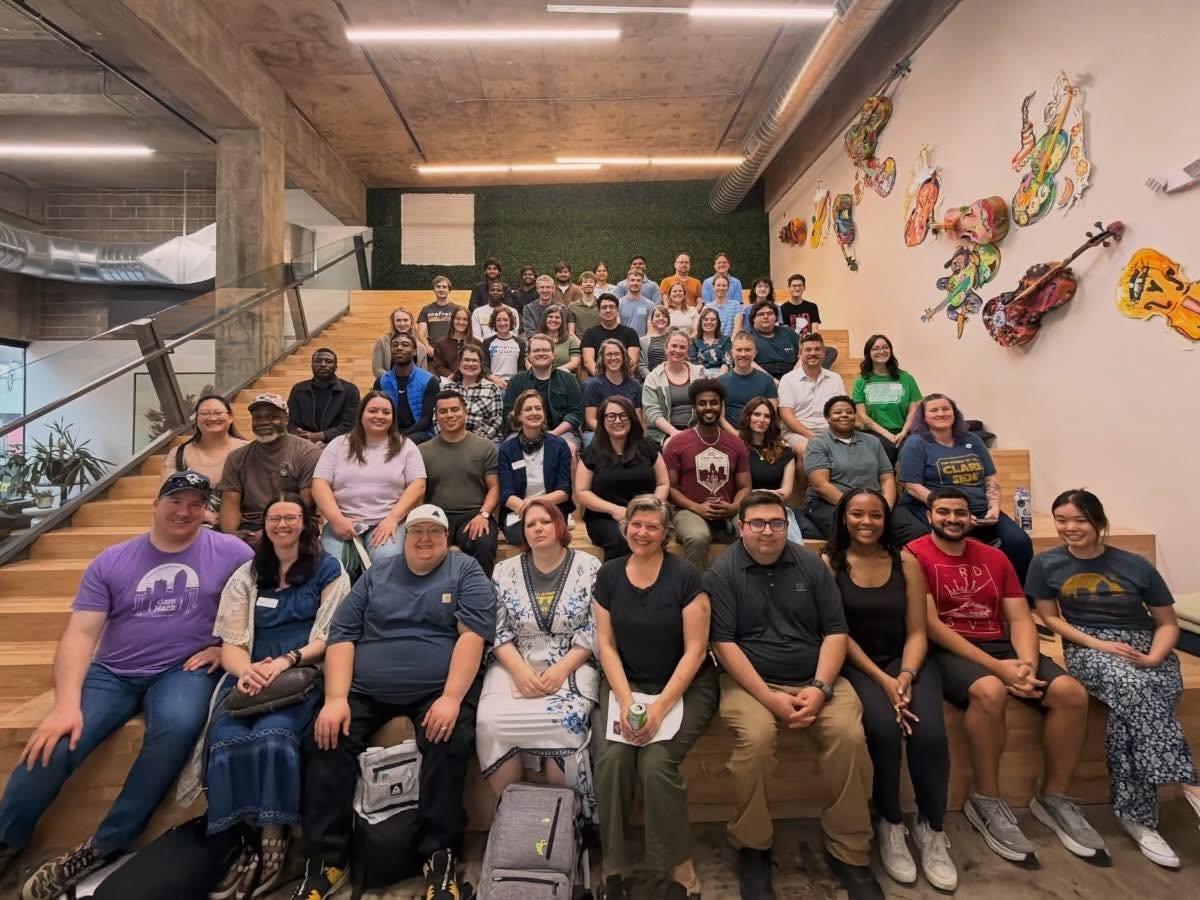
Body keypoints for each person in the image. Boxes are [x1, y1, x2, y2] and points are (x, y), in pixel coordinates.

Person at [0, 473, 253, 899]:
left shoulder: (231, 551)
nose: (184, 511)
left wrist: (224, 647)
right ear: (155, 504)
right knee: (56, 740)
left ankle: (106, 843)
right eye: (175, 501)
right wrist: (66, 704)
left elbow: (258, 603)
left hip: (184, 669)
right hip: (113, 672)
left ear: (206, 511)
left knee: (177, 727)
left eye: (195, 503)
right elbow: (80, 634)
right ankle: (7, 841)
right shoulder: (113, 560)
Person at [292, 504, 494, 900]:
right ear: (404, 537)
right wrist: (336, 698)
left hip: (437, 687)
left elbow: (473, 635)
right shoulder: (377, 574)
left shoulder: (465, 570)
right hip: (366, 688)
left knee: (449, 738)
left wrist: (452, 698)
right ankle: (327, 860)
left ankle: (439, 856)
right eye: (416, 531)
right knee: (324, 737)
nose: (424, 538)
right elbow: (343, 634)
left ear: (446, 537)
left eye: (433, 531)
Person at [912, 487, 1105, 867]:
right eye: (944, 512)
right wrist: (999, 669)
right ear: (929, 516)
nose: (952, 519)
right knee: (990, 691)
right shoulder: (915, 555)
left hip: (1001, 645)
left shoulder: (995, 557)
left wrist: (1027, 664)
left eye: (960, 512)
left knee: (1070, 693)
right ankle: (986, 799)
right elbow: (930, 625)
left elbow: (1019, 617)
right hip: (950, 650)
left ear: (972, 517)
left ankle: (1054, 797)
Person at [706, 490, 879, 900]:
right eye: (757, 523)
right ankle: (753, 845)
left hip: (816, 677)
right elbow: (723, 645)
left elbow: (836, 632)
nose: (767, 531)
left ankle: (849, 849)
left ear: (787, 526)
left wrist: (820, 688)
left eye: (776, 523)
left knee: (850, 737)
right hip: (751, 683)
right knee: (756, 740)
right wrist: (770, 700)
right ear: (741, 528)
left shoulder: (811, 564)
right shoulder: (722, 571)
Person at [1030, 489, 1200, 868]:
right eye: (1061, 520)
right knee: (1134, 687)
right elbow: (1050, 617)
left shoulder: (1135, 565)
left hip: (1146, 646)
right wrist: (1096, 643)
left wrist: (1153, 657)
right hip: (1088, 647)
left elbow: (1167, 623)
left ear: (1099, 522)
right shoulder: (1045, 563)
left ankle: (1137, 819)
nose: (1069, 528)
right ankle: (1190, 784)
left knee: (1130, 716)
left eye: (1079, 520)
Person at [205, 496, 350, 898]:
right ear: (264, 524)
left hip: (301, 674)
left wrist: (285, 662)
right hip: (250, 677)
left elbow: (330, 635)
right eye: (274, 518)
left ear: (305, 524)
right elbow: (232, 641)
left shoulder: (328, 569)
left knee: (275, 736)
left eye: (291, 517)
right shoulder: (249, 573)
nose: (282, 524)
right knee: (225, 738)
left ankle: (275, 837)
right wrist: (246, 671)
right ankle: (243, 841)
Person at [823, 489, 956, 892]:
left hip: (908, 661)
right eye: (857, 514)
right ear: (843, 518)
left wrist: (906, 675)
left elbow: (917, 630)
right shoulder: (829, 563)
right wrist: (884, 681)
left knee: (929, 733)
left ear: (886, 520)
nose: (866, 522)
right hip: (858, 663)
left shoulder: (906, 561)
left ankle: (932, 827)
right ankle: (891, 822)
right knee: (881, 729)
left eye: (875, 515)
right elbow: (837, 633)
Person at [590, 495, 718, 900]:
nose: (642, 532)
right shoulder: (609, 575)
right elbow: (606, 645)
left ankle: (678, 864)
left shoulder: (686, 577)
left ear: (666, 533)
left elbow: (696, 651)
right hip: (626, 682)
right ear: (625, 527)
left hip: (684, 685)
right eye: (636, 524)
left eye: (652, 526)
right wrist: (628, 702)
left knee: (656, 763)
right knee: (612, 760)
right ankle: (614, 863)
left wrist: (659, 707)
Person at [477, 499, 601, 806]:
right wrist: (520, 672)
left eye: (545, 521)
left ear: (559, 525)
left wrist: (560, 670)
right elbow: (497, 629)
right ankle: (513, 816)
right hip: (514, 660)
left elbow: (594, 629)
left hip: (573, 662)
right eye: (530, 524)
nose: (538, 528)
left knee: (567, 721)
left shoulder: (589, 567)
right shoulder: (503, 571)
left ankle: (566, 822)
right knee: (490, 722)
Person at [894, 393, 1033, 584]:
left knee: (1019, 542)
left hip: (980, 508)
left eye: (946, 409)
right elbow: (912, 487)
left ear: (954, 413)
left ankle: (1021, 596)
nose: (941, 413)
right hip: (937, 508)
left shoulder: (972, 440)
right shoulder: (915, 443)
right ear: (923, 417)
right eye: (934, 410)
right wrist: (954, 510)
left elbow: (990, 478)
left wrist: (994, 508)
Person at [311, 390, 427, 566]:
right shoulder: (338, 444)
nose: (379, 416)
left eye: (386, 412)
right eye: (373, 411)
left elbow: (418, 485)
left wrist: (393, 519)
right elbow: (319, 484)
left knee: (386, 561)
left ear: (393, 417)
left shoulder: (406, 446)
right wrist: (336, 520)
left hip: (388, 521)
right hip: (343, 520)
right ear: (361, 414)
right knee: (336, 565)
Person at [662, 379, 751, 570]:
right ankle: (694, 587)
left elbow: (745, 487)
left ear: (721, 405)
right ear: (694, 407)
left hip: (728, 510)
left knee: (752, 531)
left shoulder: (736, 443)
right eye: (702, 403)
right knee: (698, 537)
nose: (709, 408)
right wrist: (697, 507)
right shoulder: (677, 443)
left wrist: (734, 507)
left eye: (714, 402)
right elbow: (671, 488)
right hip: (688, 510)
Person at [219, 393, 322, 543]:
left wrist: (269, 533)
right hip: (251, 527)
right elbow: (230, 503)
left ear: (286, 419)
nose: (264, 422)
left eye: (272, 416)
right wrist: (232, 537)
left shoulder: (307, 453)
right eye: (258, 417)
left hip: (295, 523)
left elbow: (305, 505)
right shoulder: (236, 457)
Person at [576, 396, 668, 561]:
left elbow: (663, 483)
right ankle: (617, 577)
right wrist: (614, 510)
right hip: (606, 517)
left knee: (653, 534)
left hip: (646, 513)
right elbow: (582, 492)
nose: (617, 421)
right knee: (622, 539)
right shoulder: (592, 453)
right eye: (611, 416)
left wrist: (651, 506)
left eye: (623, 415)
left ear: (631, 418)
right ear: (603, 420)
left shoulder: (648, 447)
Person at [419, 391, 501, 573]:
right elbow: (418, 492)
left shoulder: (485, 447)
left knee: (483, 544)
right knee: (424, 547)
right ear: (436, 416)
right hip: (437, 517)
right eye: (443, 411)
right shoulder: (423, 451)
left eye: (455, 409)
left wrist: (484, 515)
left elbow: (495, 487)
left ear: (465, 412)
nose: (449, 415)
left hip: (475, 515)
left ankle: (479, 590)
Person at [800, 396, 901, 542]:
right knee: (850, 530)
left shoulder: (872, 441)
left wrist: (886, 507)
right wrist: (856, 507)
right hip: (830, 503)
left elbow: (887, 477)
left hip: (874, 503)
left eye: (849, 412)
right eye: (837, 412)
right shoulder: (818, 443)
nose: (844, 415)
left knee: (906, 528)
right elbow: (820, 485)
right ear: (828, 418)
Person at [498, 391, 574, 546]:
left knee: (551, 533)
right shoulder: (507, 449)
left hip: (552, 510)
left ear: (544, 414)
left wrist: (534, 503)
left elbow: (564, 491)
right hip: (519, 512)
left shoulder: (559, 446)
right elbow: (506, 494)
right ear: (519, 416)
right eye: (528, 409)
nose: (534, 412)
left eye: (538, 408)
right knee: (521, 536)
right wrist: (527, 509)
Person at [159, 393, 248, 523]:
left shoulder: (248, 450)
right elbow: (166, 496)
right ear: (196, 419)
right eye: (205, 413)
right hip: (191, 525)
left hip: (239, 526)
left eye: (218, 413)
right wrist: (203, 514)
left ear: (230, 418)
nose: (212, 418)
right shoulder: (179, 454)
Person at [504, 334, 584, 453]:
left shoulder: (569, 379)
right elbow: (509, 414)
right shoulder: (516, 381)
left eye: (545, 350)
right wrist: (530, 433)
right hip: (523, 432)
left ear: (553, 355)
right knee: (510, 449)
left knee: (568, 448)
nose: (541, 353)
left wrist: (553, 434)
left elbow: (576, 413)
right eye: (536, 350)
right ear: (528, 356)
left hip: (562, 433)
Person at [850, 334, 921, 463]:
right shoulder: (861, 381)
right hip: (874, 433)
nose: (881, 351)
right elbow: (861, 415)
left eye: (885, 347)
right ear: (868, 353)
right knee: (886, 448)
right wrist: (887, 435)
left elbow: (913, 410)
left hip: (903, 432)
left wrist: (903, 432)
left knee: (911, 451)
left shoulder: (906, 378)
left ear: (891, 350)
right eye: (875, 348)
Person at [778, 332, 845, 454]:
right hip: (797, 432)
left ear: (824, 353)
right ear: (800, 354)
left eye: (817, 349)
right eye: (808, 350)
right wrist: (811, 435)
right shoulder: (788, 379)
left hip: (829, 431)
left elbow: (842, 410)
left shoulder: (835, 379)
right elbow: (786, 415)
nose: (813, 353)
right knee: (810, 451)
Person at [371, 333, 438, 444]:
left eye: (405, 345)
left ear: (415, 351)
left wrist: (401, 437)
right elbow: (376, 414)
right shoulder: (381, 382)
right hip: (389, 432)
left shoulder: (429, 381)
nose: (399, 348)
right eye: (395, 345)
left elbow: (426, 419)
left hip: (420, 433)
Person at [642, 328, 704, 447]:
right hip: (664, 433)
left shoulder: (700, 373)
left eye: (682, 347)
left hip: (698, 430)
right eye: (674, 346)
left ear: (687, 351)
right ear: (666, 349)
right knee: (675, 448)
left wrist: (695, 432)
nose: (678, 350)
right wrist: (674, 433)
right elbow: (652, 412)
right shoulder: (653, 378)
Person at [286, 348, 360, 445]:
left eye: (328, 361)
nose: (323, 364)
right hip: (303, 443)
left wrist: (321, 436)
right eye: (318, 361)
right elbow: (290, 421)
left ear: (336, 367)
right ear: (311, 365)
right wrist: (299, 434)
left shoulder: (349, 390)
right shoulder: (298, 389)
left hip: (338, 443)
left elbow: (350, 424)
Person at [582, 339, 643, 445]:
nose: (613, 358)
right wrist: (613, 433)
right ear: (603, 359)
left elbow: (637, 419)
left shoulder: (635, 385)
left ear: (623, 357)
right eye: (609, 355)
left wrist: (624, 433)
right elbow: (590, 420)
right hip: (599, 432)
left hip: (627, 432)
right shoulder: (593, 385)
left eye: (617, 354)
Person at [440, 344, 505, 444]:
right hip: (450, 441)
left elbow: (496, 421)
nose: (470, 364)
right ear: (459, 363)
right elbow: (437, 419)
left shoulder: (492, 388)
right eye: (466, 360)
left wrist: (474, 443)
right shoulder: (447, 389)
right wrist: (451, 439)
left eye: (474, 360)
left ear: (480, 365)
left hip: (483, 442)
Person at [719, 331, 777, 433]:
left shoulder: (767, 381)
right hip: (730, 436)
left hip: (759, 435)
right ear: (732, 353)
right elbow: (721, 418)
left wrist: (754, 436)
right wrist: (736, 435)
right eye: (739, 350)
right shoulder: (720, 382)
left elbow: (771, 414)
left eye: (747, 350)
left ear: (754, 353)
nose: (743, 354)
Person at [738, 399, 795, 500]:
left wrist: (754, 492)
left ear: (771, 421)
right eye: (757, 414)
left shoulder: (785, 451)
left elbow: (786, 492)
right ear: (748, 417)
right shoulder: (736, 448)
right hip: (744, 506)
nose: (762, 420)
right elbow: (735, 491)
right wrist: (768, 493)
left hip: (775, 505)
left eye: (767, 416)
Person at [580, 293, 641, 377]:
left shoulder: (631, 333)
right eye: (604, 307)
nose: (608, 310)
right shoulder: (589, 334)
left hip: (625, 378)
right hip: (598, 379)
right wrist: (604, 380)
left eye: (611, 307)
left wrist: (618, 379)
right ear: (599, 311)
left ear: (617, 310)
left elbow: (633, 361)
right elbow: (588, 362)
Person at [748, 298, 799, 380]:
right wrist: (772, 381)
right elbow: (746, 361)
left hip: (792, 377)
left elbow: (805, 353)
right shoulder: (747, 336)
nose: (765, 317)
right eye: (761, 314)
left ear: (776, 317)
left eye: (770, 313)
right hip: (761, 379)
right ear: (753, 318)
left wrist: (792, 377)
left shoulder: (789, 333)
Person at [371, 306, 427, 376]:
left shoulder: (421, 347)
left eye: (405, 320)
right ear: (393, 322)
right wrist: (394, 380)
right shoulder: (382, 342)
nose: (402, 323)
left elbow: (423, 373)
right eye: (398, 320)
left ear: (411, 322)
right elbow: (377, 369)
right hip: (388, 382)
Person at [428, 306, 479, 378]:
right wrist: (450, 375)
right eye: (458, 318)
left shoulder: (477, 343)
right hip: (448, 381)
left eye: (465, 319)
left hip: (472, 380)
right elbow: (438, 366)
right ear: (453, 320)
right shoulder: (440, 343)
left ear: (469, 322)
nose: (461, 322)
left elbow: (481, 365)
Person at [481, 306, 526, 388]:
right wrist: (496, 380)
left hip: (514, 385)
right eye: (498, 320)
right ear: (494, 322)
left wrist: (514, 382)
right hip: (493, 384)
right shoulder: (487, 343)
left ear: (511, 321)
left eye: (505, 320)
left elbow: (522, 368)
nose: (502, 323)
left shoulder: (520, 343)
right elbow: (484, 366)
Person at [417, 275, 463, 352]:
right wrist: (428, 347)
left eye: (444, 287)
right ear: (434, 289)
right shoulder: (426, 309)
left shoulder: (457, 309)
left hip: (453, 349)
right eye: (438, 287)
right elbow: (421, 335)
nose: (441, 289)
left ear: (449, 290)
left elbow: (462, 331)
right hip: (432, 350)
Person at [537, 303, 582, 374]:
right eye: (550, 317)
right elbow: (528, 360)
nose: (553, 320)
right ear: (545, 319)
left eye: (557, 317)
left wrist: (553, 372)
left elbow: (575, 362)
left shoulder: (571, 340)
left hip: (564, 376)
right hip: (539, 375)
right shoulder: (536, 339)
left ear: (562, 321)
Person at [689, 306, 731, 378]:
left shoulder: (725, 340)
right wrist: (707, 377)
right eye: (705, 319)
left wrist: (719, 378)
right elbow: (693, 363)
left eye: (713, 319)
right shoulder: (693, 341)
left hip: (722, 376)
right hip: (700, 376)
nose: (709, 322)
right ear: (701, 322)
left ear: (717, 322)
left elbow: (727, 362)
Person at [705, 272, 747, 337]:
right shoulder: (707, 307)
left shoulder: (736, 305)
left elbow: (737, 328)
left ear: (728, 288)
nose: (721, 288)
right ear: (713, 288)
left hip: (732, 341)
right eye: (718, 285)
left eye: (724, 285)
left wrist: (730, 342)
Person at [637, 304, 673, 378]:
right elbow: (641, 365)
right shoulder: (642, 341)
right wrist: (653, 379)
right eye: (657, 316)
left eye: (664, 316)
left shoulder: (673, 338)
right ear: (652, 320)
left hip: (672, 378)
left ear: (668, 320)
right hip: (651, 379)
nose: (661, 318)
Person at [618, 270, 656, 337]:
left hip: (642, 342)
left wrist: (644, 341)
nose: (635, 283)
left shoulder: (650, 305)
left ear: (642, 283)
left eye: (638, 280)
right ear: (627, 282)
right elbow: (617, 327)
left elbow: (651, 329)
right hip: (623, 341)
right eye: (632, 280)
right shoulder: (618, 304)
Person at [568, 270, 602, 337]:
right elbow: (571, 332)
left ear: (595, 285)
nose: (588, 284)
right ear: (580, 285)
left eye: (591, 281)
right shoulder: (572, 307)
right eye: (585, 282)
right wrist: (581, 343)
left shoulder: (602, 305)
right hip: (579, 342)